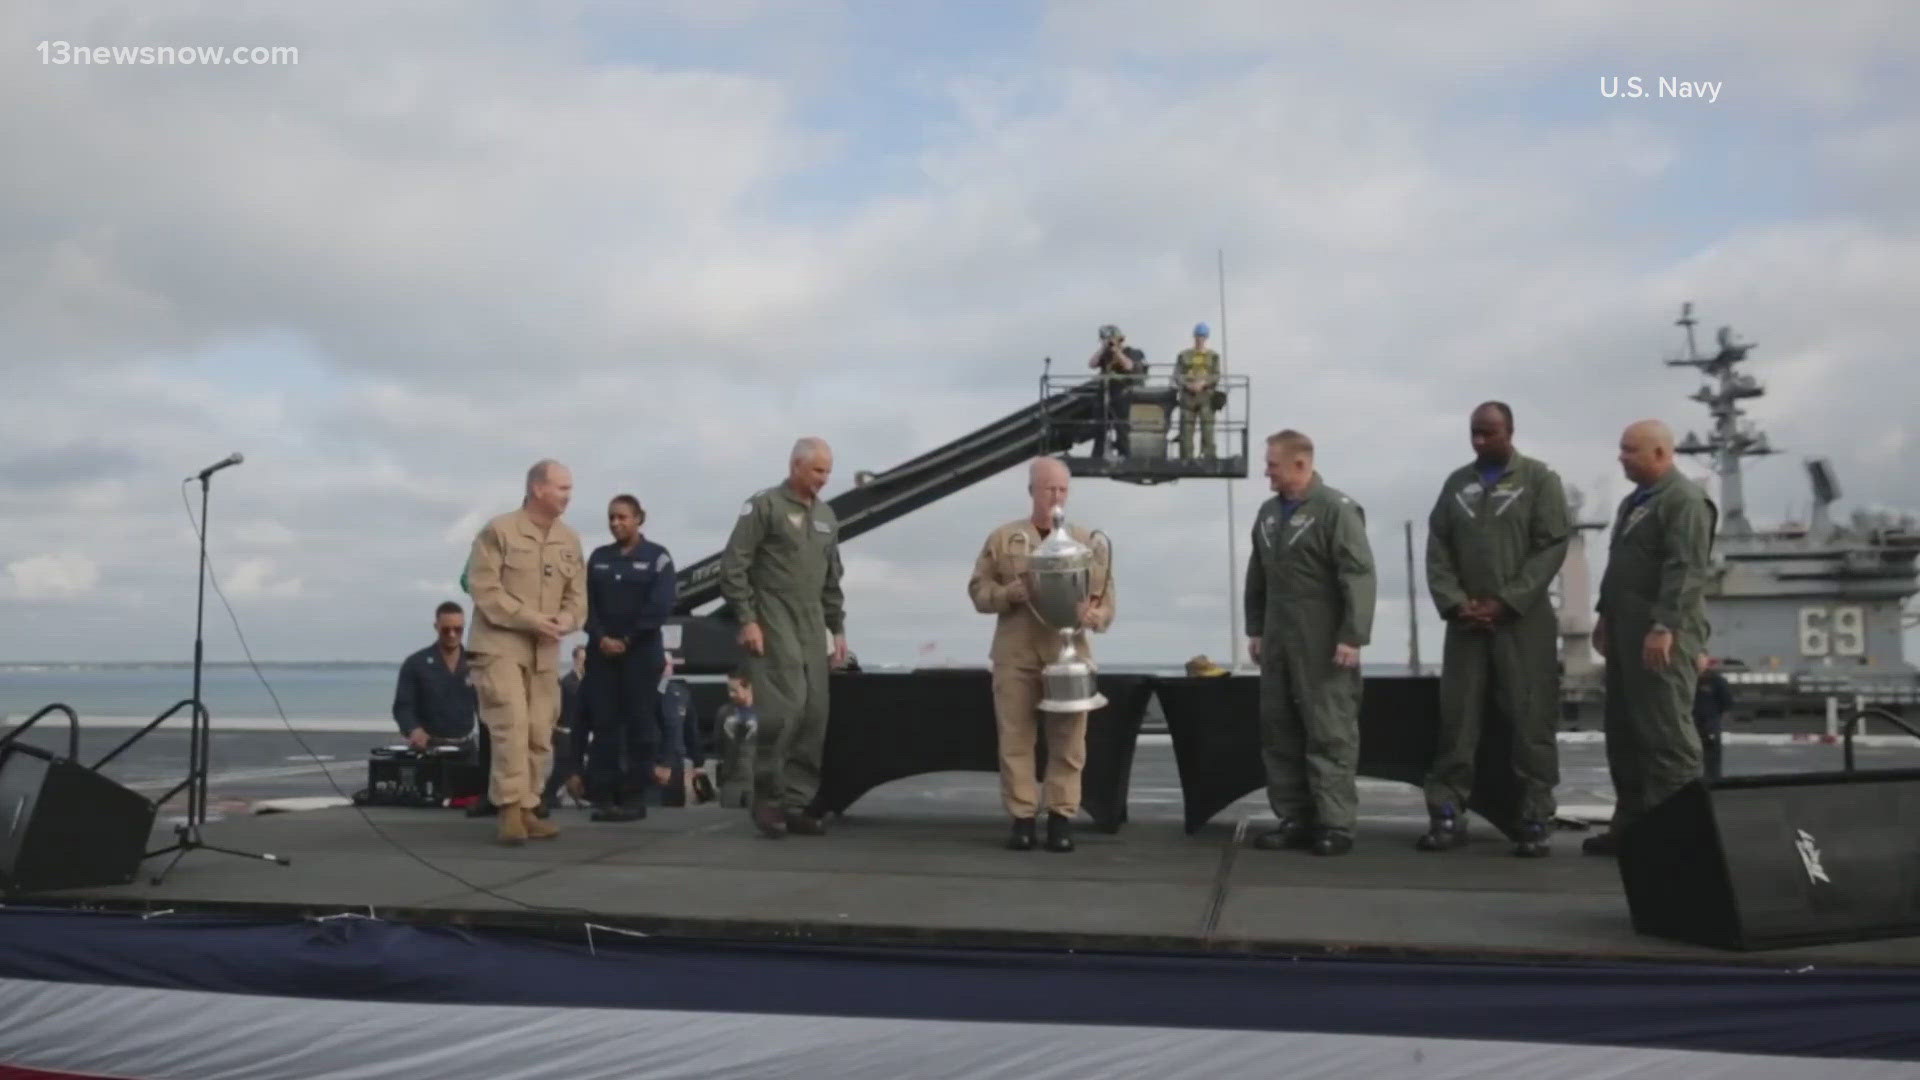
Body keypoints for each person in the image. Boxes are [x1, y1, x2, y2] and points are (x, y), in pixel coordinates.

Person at [1419, 402, 1572, 858]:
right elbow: (1438, 547)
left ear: (1510, 431)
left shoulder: (1540, 481)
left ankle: (1534, 817)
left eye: (1489, 433)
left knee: (1531, 722)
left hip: (1523, 625)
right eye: (1474, 434)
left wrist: (1507, 602)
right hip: (1466, 625)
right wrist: (1455, 603)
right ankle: (1447, 814)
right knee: (1457, 723)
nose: (1480, 441)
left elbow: (1551, 547)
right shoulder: (1457, 485)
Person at [967, 457, 1116, 853]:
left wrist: (1095, 615)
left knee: (1069, 741)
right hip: (1016, 653)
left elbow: (1107, 601)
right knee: (1016, 738)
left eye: (1063, 489)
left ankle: (1061, 817)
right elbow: (978, 593)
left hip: (1067, 653)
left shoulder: (1086, 542)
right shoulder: (1003, 539)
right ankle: (1022, 818)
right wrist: (1006, 595)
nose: (1056, 496)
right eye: (1049, 488)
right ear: (1032, 490)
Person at [1587, 420, 1717, 856]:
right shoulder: (1634, 503)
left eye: (1630, 450)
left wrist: (1664, 626)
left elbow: (1686, 569)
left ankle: (1676, 838)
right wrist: (1604, 615)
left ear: (1660, 453)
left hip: (1662, 636)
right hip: (1626, 634)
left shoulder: (1684, 500)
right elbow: (1621, 566)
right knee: (1624, 733)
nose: (1621, 457)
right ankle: (1633, 828)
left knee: (1666, 736)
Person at [1244, 430, 1376, 856]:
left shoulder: (1336, 511)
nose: (1266, 470)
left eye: (1273, 463)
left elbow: (1358, 574)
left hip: (1324, 643)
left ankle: (1335, 823)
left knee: (1329, 732)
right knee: (1279, 730)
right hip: (1278, 640)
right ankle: (1294, 817)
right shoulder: (1267, 515)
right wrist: (1256, 629)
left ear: (1300, 464)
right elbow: (1257, 577)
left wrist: (1353, 635)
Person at [720, 437, 849, 838]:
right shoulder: (764, 506)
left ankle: (796, 802)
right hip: (773, 621)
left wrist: (838, 628)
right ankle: (768, 799)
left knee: (814, 714)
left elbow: (832, 580)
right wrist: (748, 619)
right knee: (784, 711)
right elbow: (734, 565)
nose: (824, 479)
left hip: (812, 626)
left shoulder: (827, 516)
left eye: (828, 471)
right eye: (817, 471)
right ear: (795, 466)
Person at [464, 459, 586, 846]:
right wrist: (530, 618)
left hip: (545, 650)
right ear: (538, 489)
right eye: (562, 488)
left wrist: (567, 619)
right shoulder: (498, 531)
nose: (569, 495)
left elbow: (578, 597)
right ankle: (510, 810)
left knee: (539, 731)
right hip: (500, 645)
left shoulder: (569, 540)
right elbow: (484, 590)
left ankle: (531, 805)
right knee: (511, 726)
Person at [581, 494, 677, 822]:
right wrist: (601, 637)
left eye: (622, 517)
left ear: (639, 518)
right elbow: (586, 604)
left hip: (641, 654)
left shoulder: (658, 557)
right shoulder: (598, 558)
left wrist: (626, 639)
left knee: (640, 724)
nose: (615, 523)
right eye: (611, 518)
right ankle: (604, 796)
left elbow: (660, 605)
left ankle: (634, 796)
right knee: (604, 724)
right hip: (602, 654)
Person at [391, 601, 478, 748]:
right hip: (428, 748)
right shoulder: (415, 663)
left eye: (458, 629)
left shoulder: (475, 664)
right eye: (446, 630)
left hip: (466, 748)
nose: (452, 634)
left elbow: (486, 707)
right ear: (436, 627)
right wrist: (413, 730)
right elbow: (403, 706)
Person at [543, 644, 588, 811]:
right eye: (581, 659)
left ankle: (575, 796)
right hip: (563, 732)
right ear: (575, 660)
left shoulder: (585, 681)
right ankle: (547, 795)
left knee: (573, 768)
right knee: (562, 768)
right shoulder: (568, 682)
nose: (584, 663)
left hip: (576, 733)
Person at [1087, 325, 1142, 458]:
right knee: (1100, 425)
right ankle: (1097, 454)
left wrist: (1117, 351)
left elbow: (1129, 366)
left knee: (1121, 426)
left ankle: (1125, 453)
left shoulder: (1131, 352)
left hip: (1121, 392)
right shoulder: (1104, 354)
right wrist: (1103, 348)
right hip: (1104, 392)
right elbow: (1092, 364)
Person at [1173, 323, 1221, 460]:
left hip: (1206, 395)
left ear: (1206, 338)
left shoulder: (1213, 356)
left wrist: (1204, 383)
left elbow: (1216, 375)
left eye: (1202, 336)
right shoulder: (1184, 355)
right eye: (1198, 336)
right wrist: (1188, 385)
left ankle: (1208, 455)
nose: (1200, 339)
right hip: (1188, 396)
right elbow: (1177, 374)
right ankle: (1186, 456)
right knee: (1186, 427)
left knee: (1207, 426)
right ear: (1194, 337)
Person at [713, 668, 759, 809]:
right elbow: (719, 743)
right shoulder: (724, 713)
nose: (730, 694)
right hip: (731, 781)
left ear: (748, 687)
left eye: (734, 690)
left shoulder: (765, 712)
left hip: (756, 781)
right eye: (729, 690)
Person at [1693, 653, 1734, 781]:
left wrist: (1712, 716)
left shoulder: (1716, 680)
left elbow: (1726, 702)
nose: (1698, 663)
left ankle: (1713, 782)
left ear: (1706, 661)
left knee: (1711, 759)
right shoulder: (1685, 680)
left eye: (1701, 659)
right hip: (1689, 726)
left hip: (1709, 726)